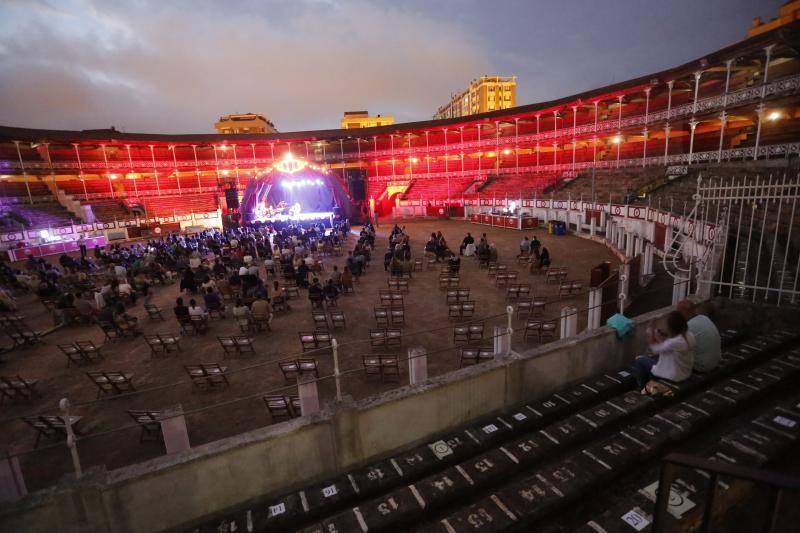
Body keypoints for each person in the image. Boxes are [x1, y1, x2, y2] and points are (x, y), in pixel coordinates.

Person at [633, 311, 696, 394]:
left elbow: (653, 349)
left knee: (639, 360)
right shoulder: (689, 335)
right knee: (654, 359)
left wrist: (651, 328)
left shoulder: (675, 342)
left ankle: (642, 388)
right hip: (685, 372)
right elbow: (667, 345)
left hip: (674, 376)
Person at [677, 299, 721, 373]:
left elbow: (678, 349)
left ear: (685, 312)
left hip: (702, 366)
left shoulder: (689, 326)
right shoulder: (704, 318)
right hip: (715, 362)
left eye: (678, 313)